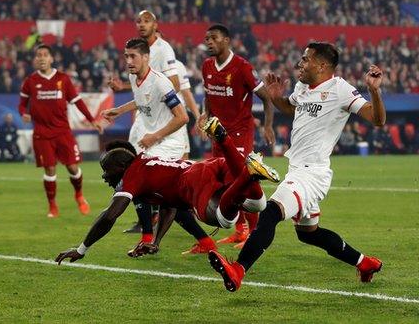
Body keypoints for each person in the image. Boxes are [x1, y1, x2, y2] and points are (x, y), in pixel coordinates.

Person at [208, 42, 386, 292]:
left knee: (270, 212)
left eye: (305, 59)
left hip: (311, 173)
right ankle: (365, 263)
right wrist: (275, 96)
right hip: (297, 169)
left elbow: (377, 120)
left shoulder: (340, 90)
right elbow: (291, 108)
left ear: (322, 65)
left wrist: (374, 92)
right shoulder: (302, 87)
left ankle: (238, 269)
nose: (299, 64)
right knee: (308, 233)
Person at [54, 117, 280, 264]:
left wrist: (82, 249)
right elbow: (168, 206)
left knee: (224, 219)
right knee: (256, 204)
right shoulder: (149, 164)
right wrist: (155, 242)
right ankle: (242, 167)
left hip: (194, 181)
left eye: (107, 170)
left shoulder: (133, 173)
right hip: (213, 165)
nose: (104, 176)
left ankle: (247, 172)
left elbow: (110, 216)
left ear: (122, 167)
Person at [102, 37, 190, 247]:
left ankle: (149, 236)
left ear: (146, 57)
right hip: (154, 141)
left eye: (133, 56)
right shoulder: (134, 79)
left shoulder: (160, 82)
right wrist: (119, 110)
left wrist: (155, 136)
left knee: (141, 180)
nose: (129, 61)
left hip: (170, 142)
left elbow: (182, 117)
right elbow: (141, 100)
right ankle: (149, 237)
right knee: (153, 190)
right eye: (126, 56)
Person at [199, 24, 276, 249]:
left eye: (213, 38)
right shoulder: (206, 66)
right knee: (224, 181)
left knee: (241, 179)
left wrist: (268, 126)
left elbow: (267, 98)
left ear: (226, 40)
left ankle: (253, 233)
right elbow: (209, 94)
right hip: (218, 133)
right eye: (207, 38)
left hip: (240, 132)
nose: (209, 42)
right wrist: (206, 116)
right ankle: (240, 229)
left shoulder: (242, 67)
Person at [18, 44, 103, 218]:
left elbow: (78, 101)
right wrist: (23, 113)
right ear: (35, 60)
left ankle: (79, 195)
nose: (41, 58)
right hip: (42, 133)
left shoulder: (63, 79)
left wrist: (92, 120)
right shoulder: (30, 81)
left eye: (45, 55)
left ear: (51, 59)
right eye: (38, 55)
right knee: (49, 170)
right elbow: (21, 104)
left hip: (62, 131)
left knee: (72, 167)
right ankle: (52, 206)